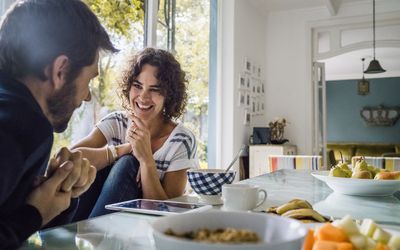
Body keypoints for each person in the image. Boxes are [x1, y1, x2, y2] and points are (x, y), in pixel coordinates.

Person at [0, 0, 117, 248]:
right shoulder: (26, 126)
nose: (86, 96)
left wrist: (55, 197)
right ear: (61, 71)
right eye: (89, 80)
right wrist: (34, 214)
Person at [71, 48, 199, 220]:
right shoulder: (117, 122)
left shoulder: (181, 140)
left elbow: (166, 213)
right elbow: (68, 160)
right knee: (100, 164)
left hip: (142, 228)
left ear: (168, 96)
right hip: (90, 216)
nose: (143, 97)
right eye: (137, 86)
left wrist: (146, 160)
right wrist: (126, 148)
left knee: (127, 164)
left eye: (154, 89)